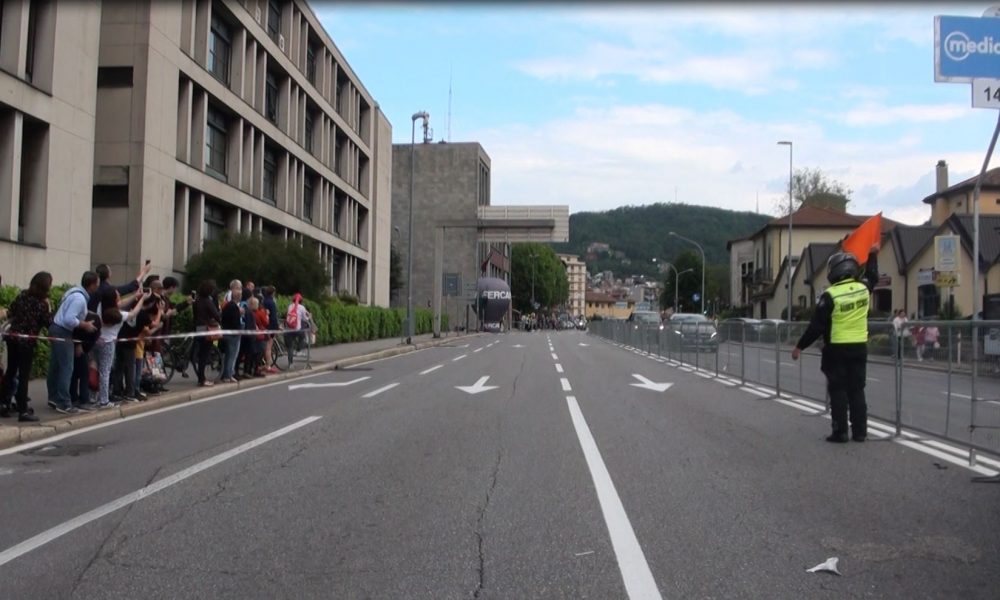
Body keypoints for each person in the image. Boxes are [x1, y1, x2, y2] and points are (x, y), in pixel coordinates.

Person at [791, 247, 879, 443]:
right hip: (859, 347)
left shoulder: (830, 295)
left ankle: (840, 432)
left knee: (838, 389)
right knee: (857, 389)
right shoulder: (863, 289)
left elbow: (816, 326)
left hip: (837, 348)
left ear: (834, 271)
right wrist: (872, 254)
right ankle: (860, 432)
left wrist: (799, 347)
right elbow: (872, 275)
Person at [1, 272, 53, 421]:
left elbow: (12, 311)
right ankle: (23, 410)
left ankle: (4, 402)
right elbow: (48, 323)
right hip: (27, 342)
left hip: (13, 338)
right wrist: (49, 308)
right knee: (23, 375)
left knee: (11, 371)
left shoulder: (23, 295)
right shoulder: (42, 303)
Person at [47, 272, 100, 414]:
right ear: (92, 285)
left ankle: (53, 397)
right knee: (67, 367)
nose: (98, 286)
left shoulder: (73, 293)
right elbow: (69, 319)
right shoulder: (80, 299)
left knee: (56, 365)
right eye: (97, 284)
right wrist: (85, 325)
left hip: (55, 328)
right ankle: (64, 403)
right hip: (63, 331)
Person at [192, 280, 222, 387]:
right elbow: (216, 315)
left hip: (198, 328)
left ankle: (201, 377)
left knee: (201, 353)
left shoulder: (197, 300)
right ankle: (202, 379)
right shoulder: (207, 301)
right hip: (207, 328)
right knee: (205, 354)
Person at [219, 281, 243, 383]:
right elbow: (235, 322)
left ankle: (226, 374)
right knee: (232, 355)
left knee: (227, 356)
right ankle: (228, 375)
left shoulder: (227, 306)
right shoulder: (234, 307)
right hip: (233, 334)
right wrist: (239, 329)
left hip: (226, 332)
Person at [261, 286, 280, 374]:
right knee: (268, 346)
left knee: (264, 345)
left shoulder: (263, 301)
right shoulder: (272, 302)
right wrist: (277, 326)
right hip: (271, 326)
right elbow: (273, 316)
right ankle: (268, 365)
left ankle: (263, 363)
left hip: (264, 325)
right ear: (273, 293)